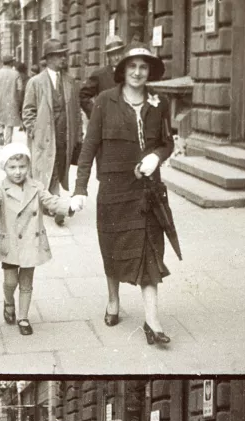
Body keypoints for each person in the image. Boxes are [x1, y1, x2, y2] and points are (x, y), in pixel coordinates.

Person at [71, 45, 179, 343]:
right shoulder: (105, 101)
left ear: (150, 72)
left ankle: (153, 322)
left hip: (147, 190)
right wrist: (80, 189)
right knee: (113, 246)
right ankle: (113, 300)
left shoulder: (160, 102)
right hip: (114, 189)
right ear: (123, 70)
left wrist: (157, 156)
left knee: (150, 247)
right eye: (132, 66)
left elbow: (167, 142)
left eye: (144, 67)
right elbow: (90, 146)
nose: (137, 72)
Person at [0, 142, 72, 335]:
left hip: (31, 241)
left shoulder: (36, 186)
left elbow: (50, 201)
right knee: (10, 281)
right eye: (12, 167)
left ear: (29, 166)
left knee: (26, 282)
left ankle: (23, 317)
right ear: (4, 167)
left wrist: (68, 206)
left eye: (22, 167)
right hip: (11, 243)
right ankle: (8, 301)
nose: (17, 172)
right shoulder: (0, 188)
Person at [21, 39, 82, 224]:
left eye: (64, 54)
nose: (64, 58)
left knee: (59, 165)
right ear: (48, 59)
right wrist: (34, 131)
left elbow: (76, 111)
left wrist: (78, 135)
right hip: (45, 136)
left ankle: (50, 201)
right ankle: (54, 205)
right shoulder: (36, 82)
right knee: (48, 168)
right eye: (59, 55)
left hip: (64, 135)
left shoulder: (70, 81)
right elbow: (27, 111)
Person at [79, 32, 125, 118]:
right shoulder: (100, 75)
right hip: (107, 124)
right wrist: (95, 113)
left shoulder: (130, 74)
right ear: (108, 56)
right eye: (112, 54)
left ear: (123, 54)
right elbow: (82, 96)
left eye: (119, 53)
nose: (116, 57)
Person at [0, 55, 22, 145]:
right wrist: (19, 101)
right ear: (11, 62)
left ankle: (0, 133)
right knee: (10, 123)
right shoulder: (16, 73)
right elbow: (20, 88)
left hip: (0, 101)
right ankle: (8, 143)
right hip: (12, 101)